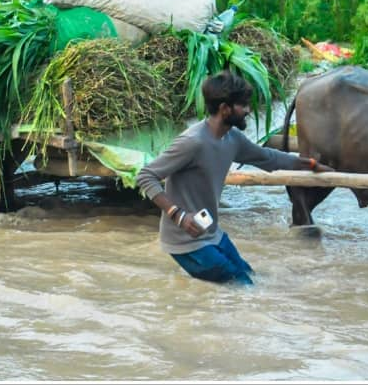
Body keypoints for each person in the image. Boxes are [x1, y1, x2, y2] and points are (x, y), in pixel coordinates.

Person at [136, 71, 334, 285]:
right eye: (243, 105)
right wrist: (179, 216)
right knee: (244, 289)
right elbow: (146, 176)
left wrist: (311, 164)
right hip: (186, 241)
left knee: (249, 276)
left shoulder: (232, 138)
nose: (248, 110)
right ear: (224, 109)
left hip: (212, 233)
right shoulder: (193, 142)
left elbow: (269, 158)